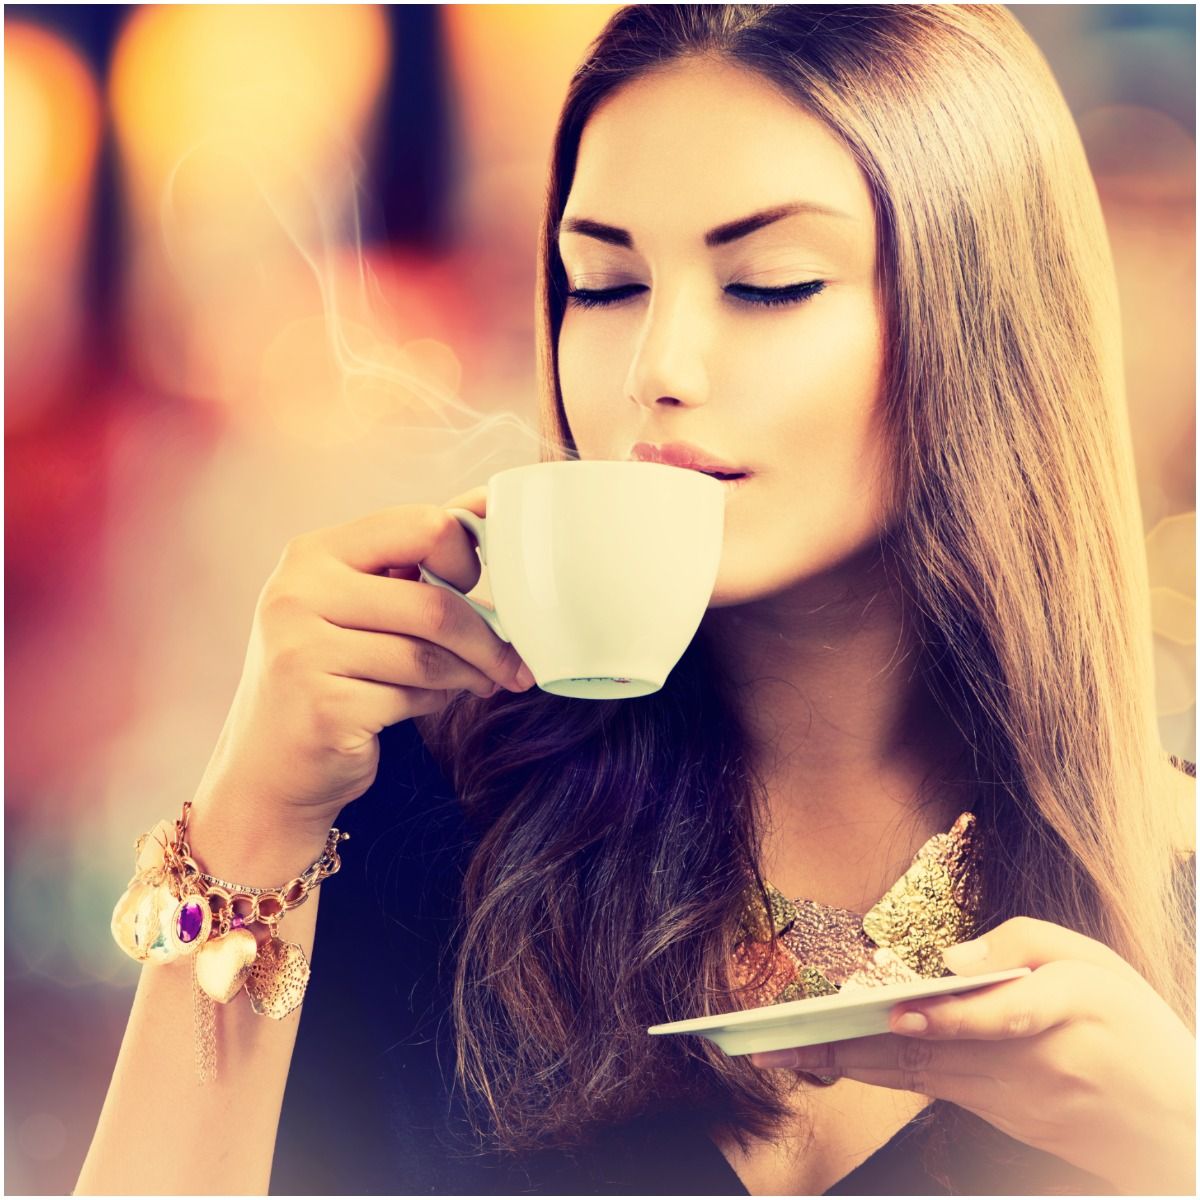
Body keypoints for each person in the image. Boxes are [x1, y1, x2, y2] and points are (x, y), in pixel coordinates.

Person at [77, 5, 1195, 1195]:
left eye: (770, 284)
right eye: (603, 285)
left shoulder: (1171, 883)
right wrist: (252, 810)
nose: (657, 369)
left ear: (986, 330)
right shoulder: (413, 822)